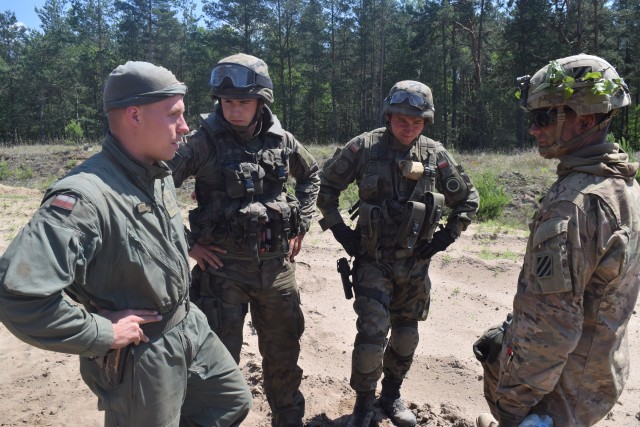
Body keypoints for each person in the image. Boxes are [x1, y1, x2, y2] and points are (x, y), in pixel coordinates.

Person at [0, 61, 252, 426]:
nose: (185, 127)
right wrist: (101, 331)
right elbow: (18, 297)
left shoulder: (157, 171)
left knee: (230, 402)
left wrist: (189, 246)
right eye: (174, 115)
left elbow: (155, 232)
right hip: (140, 353)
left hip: (187, 324)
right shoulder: (84, 197)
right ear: (134, 115)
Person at [474, 54, 640, 427]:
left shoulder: (573, 205)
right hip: (596, 376)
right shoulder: (624, 186)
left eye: (544, 117)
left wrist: (513, 406)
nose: (533, 129)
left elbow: (550, 329)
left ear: (585, 118)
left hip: (557, 395)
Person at [168, 53, 320, 427]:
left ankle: (288, 420)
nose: (235, 109)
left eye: (244, 102)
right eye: (228, 101)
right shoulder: (201, 142)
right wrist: (188, 244)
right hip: (222, 273)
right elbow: (153, 190)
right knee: (213, 362)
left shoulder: (282, 140)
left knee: (284, 356)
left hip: (276, 270)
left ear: (261, 101)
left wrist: (301, 222)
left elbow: (311, 174)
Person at [317, 80, 479, 427]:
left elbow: (468, 200)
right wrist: (343, 233)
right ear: (389, 115)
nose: (409, 127)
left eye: (417, 122)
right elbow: (326, 187)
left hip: (415, 266)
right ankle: (363, 404)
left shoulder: (435, 155)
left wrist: (445, 238)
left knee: (406, 335)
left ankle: (390, 395)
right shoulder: (363, 148)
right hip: (373, 261)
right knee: (372, 336)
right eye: (402, 119)